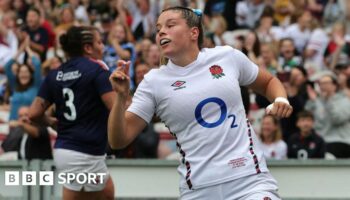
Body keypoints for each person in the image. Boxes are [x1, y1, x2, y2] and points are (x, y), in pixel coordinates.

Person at [108, 7, 293, 199]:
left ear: (193, 32)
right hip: (198, 189)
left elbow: (268, 82)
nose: (162, 31)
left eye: (170, 25)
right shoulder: (153, 82)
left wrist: (280, 98)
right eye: (158, 28)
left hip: (250, 182)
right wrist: (120, 98)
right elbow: (118, 140)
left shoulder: (227, 56)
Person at [29, 26, 115, 200]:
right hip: (85, 152)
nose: (103, 46)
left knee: (104, 192)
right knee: (106, 194)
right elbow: (115, 107)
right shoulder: (97, 71)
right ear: (88, 48)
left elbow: (33, 114)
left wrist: (52, 122)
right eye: (99, 42)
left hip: (64, 149)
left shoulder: (55, 74)